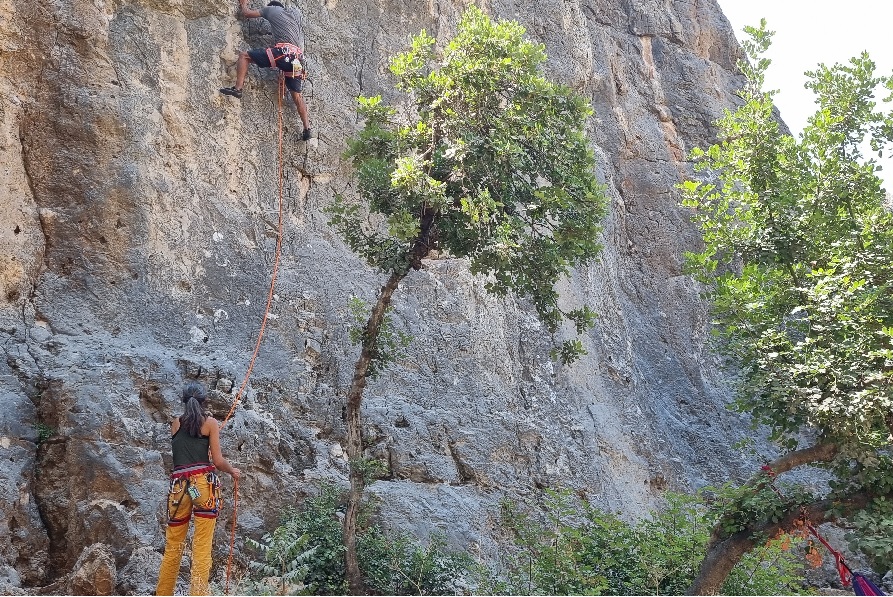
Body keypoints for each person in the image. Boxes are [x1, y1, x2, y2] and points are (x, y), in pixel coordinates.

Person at [155, 382, 241, 596]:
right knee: (201, 547)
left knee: (173, 546)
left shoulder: (175, 423)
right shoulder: (210, 423)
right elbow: (218, 461)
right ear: (204, 402)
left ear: (184, 401)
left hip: (178, 488)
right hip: (203, 486)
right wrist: (233, 471)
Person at [220, 0, 313, 140]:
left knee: (244, 56)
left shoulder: (271, 10)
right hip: (296, 61)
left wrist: (243, 3)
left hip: (283, 53)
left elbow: (247, 14)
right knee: (297, 96)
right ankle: (307, 129)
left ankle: (237, 89)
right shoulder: (294, 18)